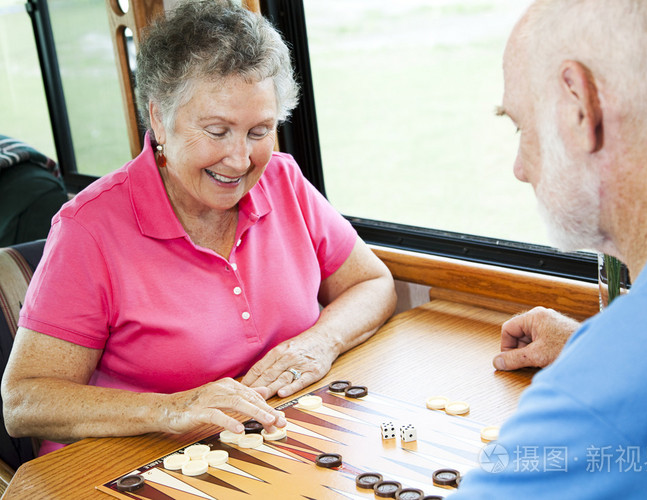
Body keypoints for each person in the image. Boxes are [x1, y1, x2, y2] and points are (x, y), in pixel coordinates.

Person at [1, 0, 396, 457]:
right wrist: (171, 409)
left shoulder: (283, 180)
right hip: (130, 465)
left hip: (267, 443)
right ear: (159, 119)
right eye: (217, 130)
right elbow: (25, 400)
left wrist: (319, 342)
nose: (240, 160)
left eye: (259, 131)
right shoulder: (88, 229)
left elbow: (373, 282)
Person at [452, 0, 647, 497]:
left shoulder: (613, 385)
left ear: (578, 106)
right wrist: (595, 344)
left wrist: (609, 364)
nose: (520, 168)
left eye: (521, 126)